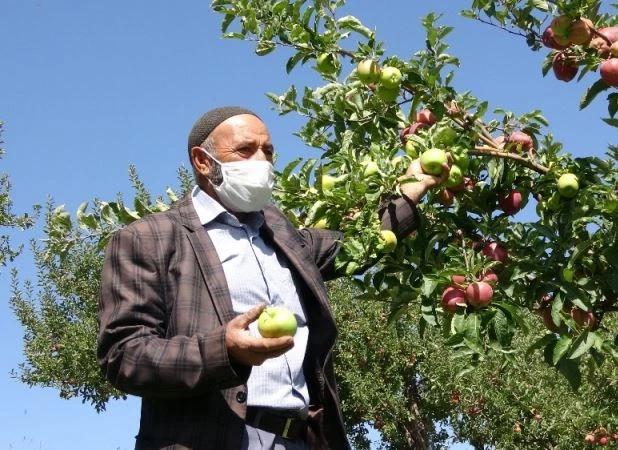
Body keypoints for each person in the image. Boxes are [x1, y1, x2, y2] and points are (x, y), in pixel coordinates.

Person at [97, 106, 446, 450]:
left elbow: (361, 244)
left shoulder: (280, 233)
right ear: (202, 161)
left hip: (300, 437)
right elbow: (123, 354)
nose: (261, 162)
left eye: (267, 151)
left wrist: (414, 186)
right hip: (213, 438)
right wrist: (224, 350)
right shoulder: (151, 238)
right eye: (245, 150)